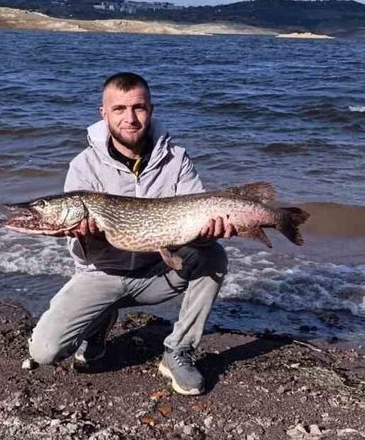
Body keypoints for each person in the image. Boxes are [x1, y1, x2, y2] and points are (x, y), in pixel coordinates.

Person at [28, 72, 235, 396]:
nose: (130, 118)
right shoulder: (84, 166)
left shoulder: (176, 159)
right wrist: (87, 236)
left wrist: (209, 234)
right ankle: (98, 324)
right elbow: (78, 253)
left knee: (213, 255)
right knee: (44, 351)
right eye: (119, 109)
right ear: (104, 113)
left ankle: (177, 350)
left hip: (158, 272)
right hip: (102, 275)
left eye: (138, 107)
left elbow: (195, 224)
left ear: (151, 110)